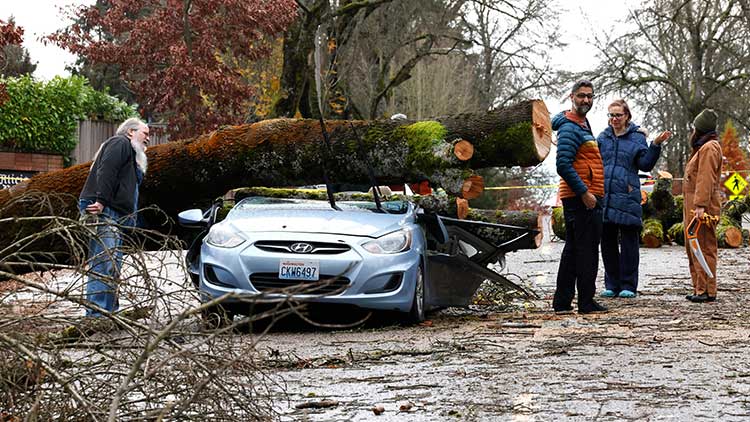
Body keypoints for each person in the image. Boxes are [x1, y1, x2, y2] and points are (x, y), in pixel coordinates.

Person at [597, 99, 671, 298]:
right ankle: (611, 284)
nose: (614, 119)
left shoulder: (637, 138)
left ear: (627, 116)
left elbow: (645, 164)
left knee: (629, 243)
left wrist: (655, 145)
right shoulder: (602, 138)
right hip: (606, 196)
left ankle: (629, 285)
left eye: (618, 115)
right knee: (608, 243)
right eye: (611, 115)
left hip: (628, 196)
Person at [78, 117, 149, 316]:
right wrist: (101, 200)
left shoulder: (132, 155)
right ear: (130, 132)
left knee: (113, 266)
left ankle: (109, 313)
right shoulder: (120, 143)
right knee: (103, 263)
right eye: (145, 134)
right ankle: (96, 315)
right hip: (104, 209)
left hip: (116, 214)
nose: (148, 139)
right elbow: (106, 170)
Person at [551, 80, 607, 314]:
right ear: (571, 97)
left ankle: (562, 302)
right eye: (582, 96)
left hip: (584, 195)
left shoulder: (583, 124)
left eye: (590, 96)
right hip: (581, 197)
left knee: (573, 250)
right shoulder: (570, 127)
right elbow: (562, 164)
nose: (586, 100)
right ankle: (586, 301)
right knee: (586, 251)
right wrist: (584, 193)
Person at [683, 109, 722, 303]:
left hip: (702, 206)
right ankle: (699, 288)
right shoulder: (702, 147)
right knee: (693, 245)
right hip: (694, 203)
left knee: (704, 245)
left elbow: (706, 178)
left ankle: (707, 289)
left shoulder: (709, 148)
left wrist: (700, 205)